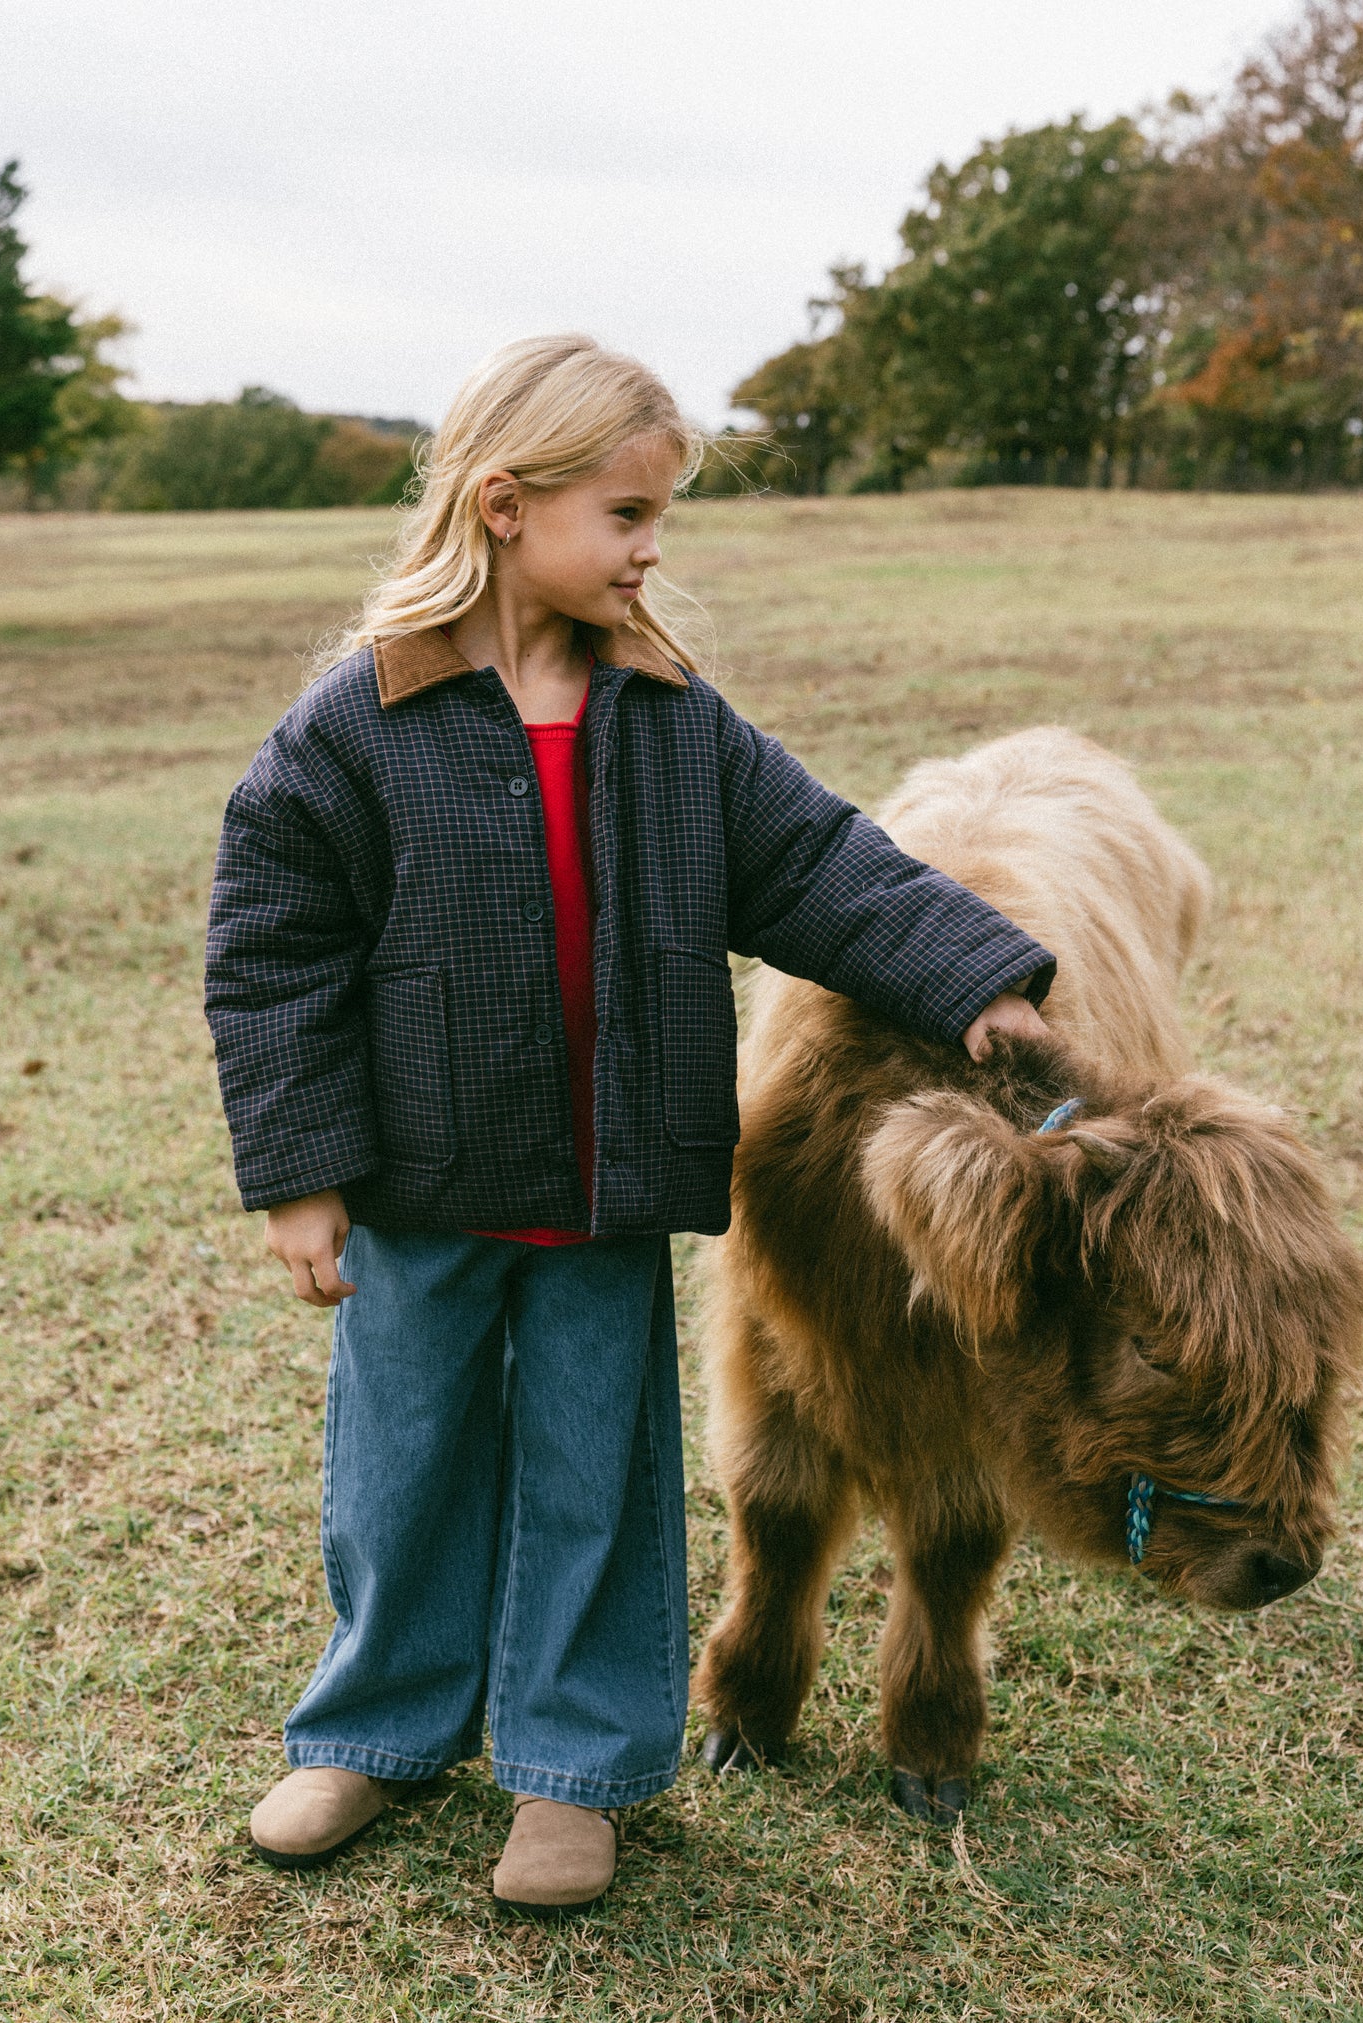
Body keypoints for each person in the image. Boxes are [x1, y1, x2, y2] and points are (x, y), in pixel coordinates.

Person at [204, 334, 1054, 1917]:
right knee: (399, 1478)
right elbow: (273, 950)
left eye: (660, 515)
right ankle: (375, 1732)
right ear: (505, 505)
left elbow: (819, 867)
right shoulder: (358, 726)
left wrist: (973, 982)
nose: (653, 546)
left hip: (602, 1198)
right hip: (421, 1192)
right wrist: (302, 1175)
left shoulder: (670, 718)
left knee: (594, 1482)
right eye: (630, 512)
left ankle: (573, 1772)